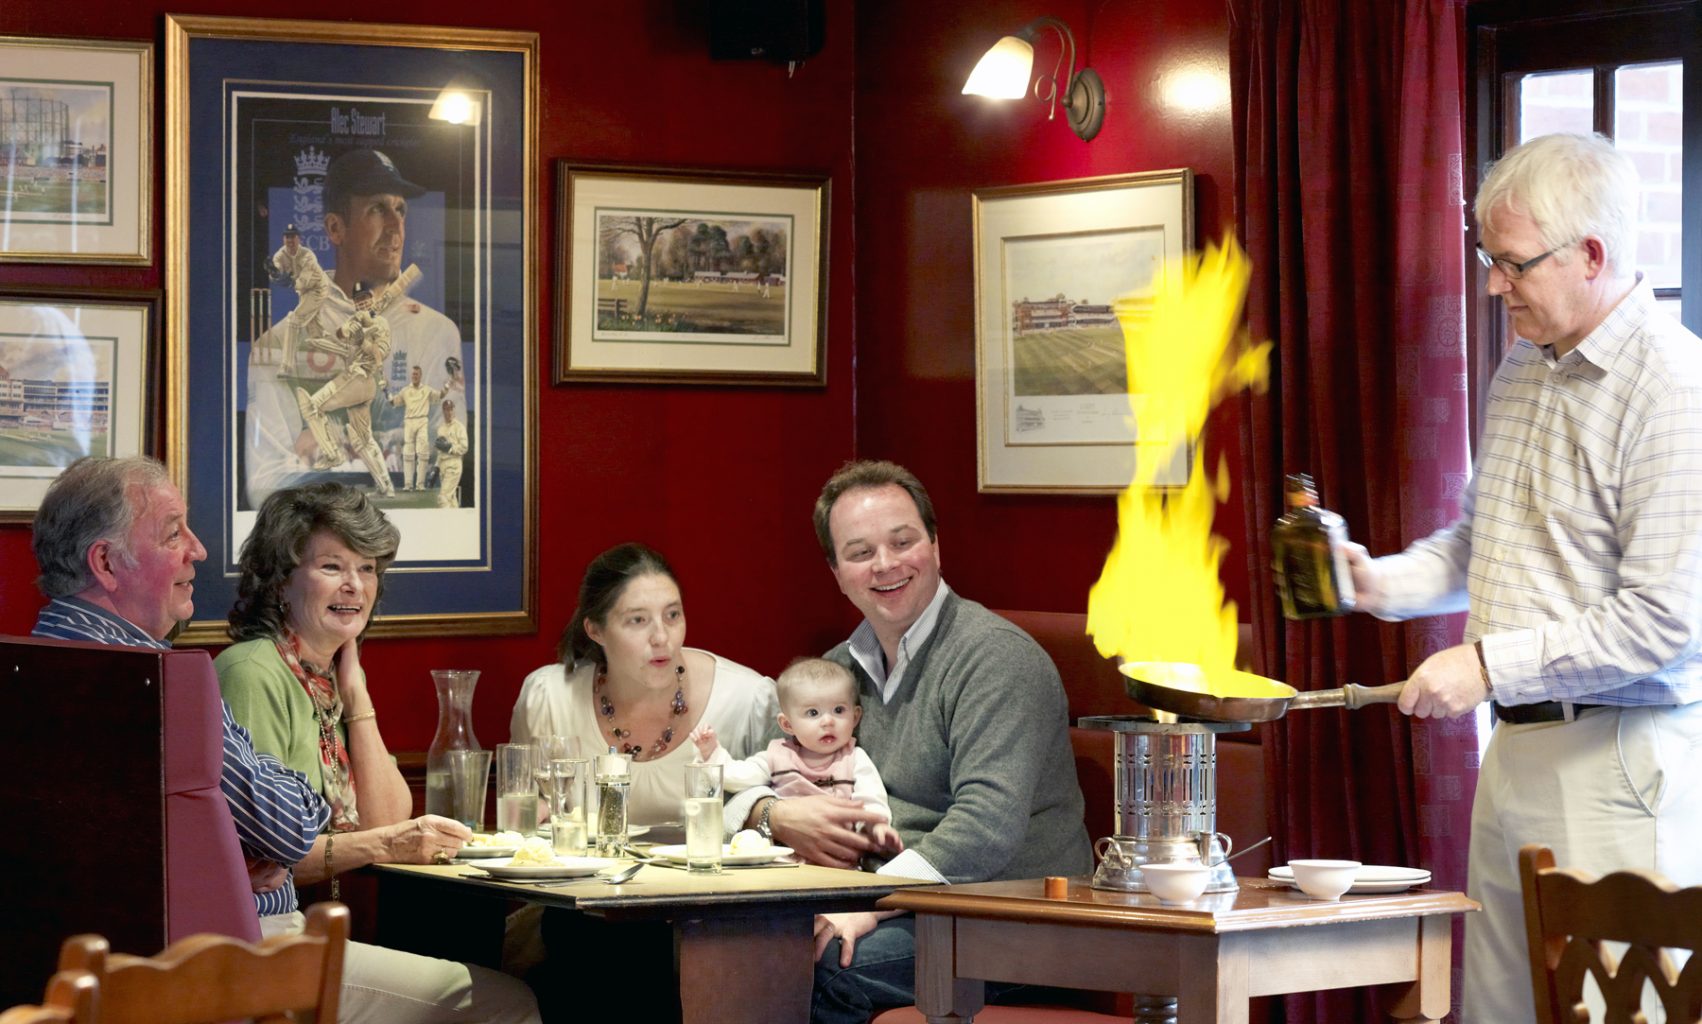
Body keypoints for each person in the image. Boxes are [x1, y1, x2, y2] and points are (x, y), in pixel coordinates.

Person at [1343, 132, 1702, 1024]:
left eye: (1514, 263)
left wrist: (1487, 665)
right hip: (1515, 751)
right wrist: (1381, 584)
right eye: (1489, 260)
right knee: (1497, 1013)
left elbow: (1668, 618)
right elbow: (1486, 541)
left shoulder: (1675, 386)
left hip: (1620, 762)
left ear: (1592, 255)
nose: (1494, 285)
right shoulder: (1522, 367)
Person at [727, 459, 1089, 1024]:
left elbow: (985, 827)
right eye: (860, 552)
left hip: (1014, 917)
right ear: (836, 571)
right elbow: (758, 774)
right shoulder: (838, 672)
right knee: (712, 943)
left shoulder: (997, 659)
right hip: (894, 904)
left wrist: (870, 903)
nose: (886, 564)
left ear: (936, 546)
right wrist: (772, 813)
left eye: (903, 542)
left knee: (819, 966)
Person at [215, 481, 541, 1024]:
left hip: (311, 929)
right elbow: (269, 856)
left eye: (366, 569)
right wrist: (386, 841)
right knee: (507, 1003)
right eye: (332, 566)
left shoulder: (325, 679)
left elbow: (386, 818)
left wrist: (357, 696)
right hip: (255, 941)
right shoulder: (253, 670)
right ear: (280, 581)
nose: (355, 585)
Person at [30, 455, 325, 925]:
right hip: (221, 946)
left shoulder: (29, 661)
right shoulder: (160, 680)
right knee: (453, 974)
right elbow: (289, 829)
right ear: (105, 563)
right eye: (173, 534)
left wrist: (215, 853)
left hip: (74, 946)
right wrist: (226, 857)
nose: (199, 550)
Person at [244, 147, 465, 505]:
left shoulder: (437, 332)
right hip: (320, 540)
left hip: (417, 534)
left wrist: (322, 457)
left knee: (325, 417)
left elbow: (444, 470)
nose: (395, 226)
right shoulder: (276, 343)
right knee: (324, 411)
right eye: (377, 209)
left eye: (400, 210)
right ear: (336, 228)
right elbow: (265, 488)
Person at [510, 542, 779, 826]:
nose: (661, 637)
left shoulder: (746, 699)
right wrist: (536, 809)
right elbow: (525, 813)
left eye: (672, 615)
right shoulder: (549, 698)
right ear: (595, 630)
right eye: (638, 620)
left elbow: (789, 808)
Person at [691, 657, 902, 860]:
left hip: (839, 859)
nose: (828, 721)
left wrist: (876, 826)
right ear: (787, 724)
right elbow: (738, 778)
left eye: (838, 710)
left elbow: (871, 798)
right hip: (784, 859)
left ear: (855, 717)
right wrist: (712, 753)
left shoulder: (853, 758)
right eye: (813, 713)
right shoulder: (777, 756)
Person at [295, 285, 395, 497]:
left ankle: (332, 454)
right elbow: (341, 334)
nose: (362, 302)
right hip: (359, 384)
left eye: (365, 298)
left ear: (372, 298)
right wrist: (352, 329)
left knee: (312, 406)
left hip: (359, 377)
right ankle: (385, 487)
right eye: (358, 299)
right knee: (363, 441)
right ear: (354, 303)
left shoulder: (379, 323)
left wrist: (365, 340)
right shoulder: (355, 321)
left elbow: (381, 352)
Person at [267, 222, 327, 367]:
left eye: (293, 237)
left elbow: (303, 281)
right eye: (287, 237)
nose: (290, 240)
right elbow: (277, 268)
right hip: (304, 293)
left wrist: (290, 282)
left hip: (317, 289)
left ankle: (287, 365)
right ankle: (341, 352)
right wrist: (274, 273)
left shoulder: (308, 255)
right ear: (283, 239)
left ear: (298, 238)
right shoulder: (280, 255)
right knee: (316, 335)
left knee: (293, 320)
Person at [389, 365, 440, 491]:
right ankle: (408, 484)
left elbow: (440, 395)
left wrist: (447, 386)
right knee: (408, 453)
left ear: (420, 375)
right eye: (413, 374)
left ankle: (420, 484)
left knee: (423, 453)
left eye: (416, 374)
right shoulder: (405, 391)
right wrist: (386, 392)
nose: (414, 376)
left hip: (422, 420)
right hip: (409, 422)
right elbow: (393, 402)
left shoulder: (427, 390)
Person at [434, 397, 468, 509]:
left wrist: (450, 447)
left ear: (454, 410)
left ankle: (445, 520)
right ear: (443, 411)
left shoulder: (459, 427)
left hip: (454, 464)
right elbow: (440, 451)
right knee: (451, 499)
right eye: (446, 409)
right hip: (443, 465)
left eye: (450, 409)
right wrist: (436, 467)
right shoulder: (441, 428)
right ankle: (457, 519)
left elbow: (464, 447)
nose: (449, 412)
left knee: (443, 498)